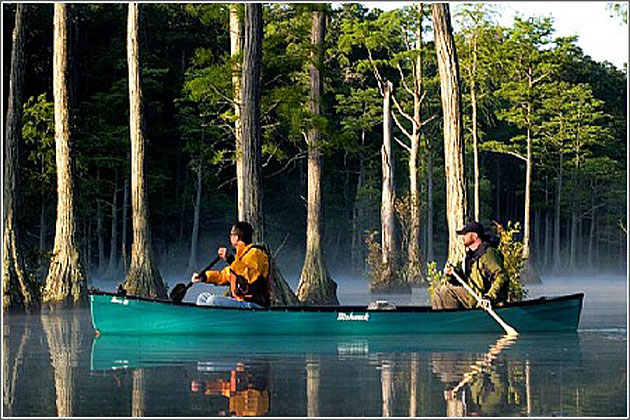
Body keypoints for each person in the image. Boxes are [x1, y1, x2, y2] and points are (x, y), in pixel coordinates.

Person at [431, 221, 509, 310]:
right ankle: (445, 321)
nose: (462, 237)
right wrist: (452, 274)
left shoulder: (488, 254)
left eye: (465, 234)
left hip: (484, 300)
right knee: (438, 291)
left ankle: (452, 320)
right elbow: (460, 280)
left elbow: (502, 276)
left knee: (445, 292)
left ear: (475, 236)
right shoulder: (468, 257)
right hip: (472, 297)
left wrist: (489, 297)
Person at [192, 221, 270, 308]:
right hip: (239, 301)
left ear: (237, 237)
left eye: (231, 235)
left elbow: (250, 276)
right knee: (202, 297)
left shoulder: (256, 253)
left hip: (253, 304)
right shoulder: (239, 257)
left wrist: (229, 259)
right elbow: (223, 276)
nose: (230, 238)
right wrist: (203, 277)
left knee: (213, 300)